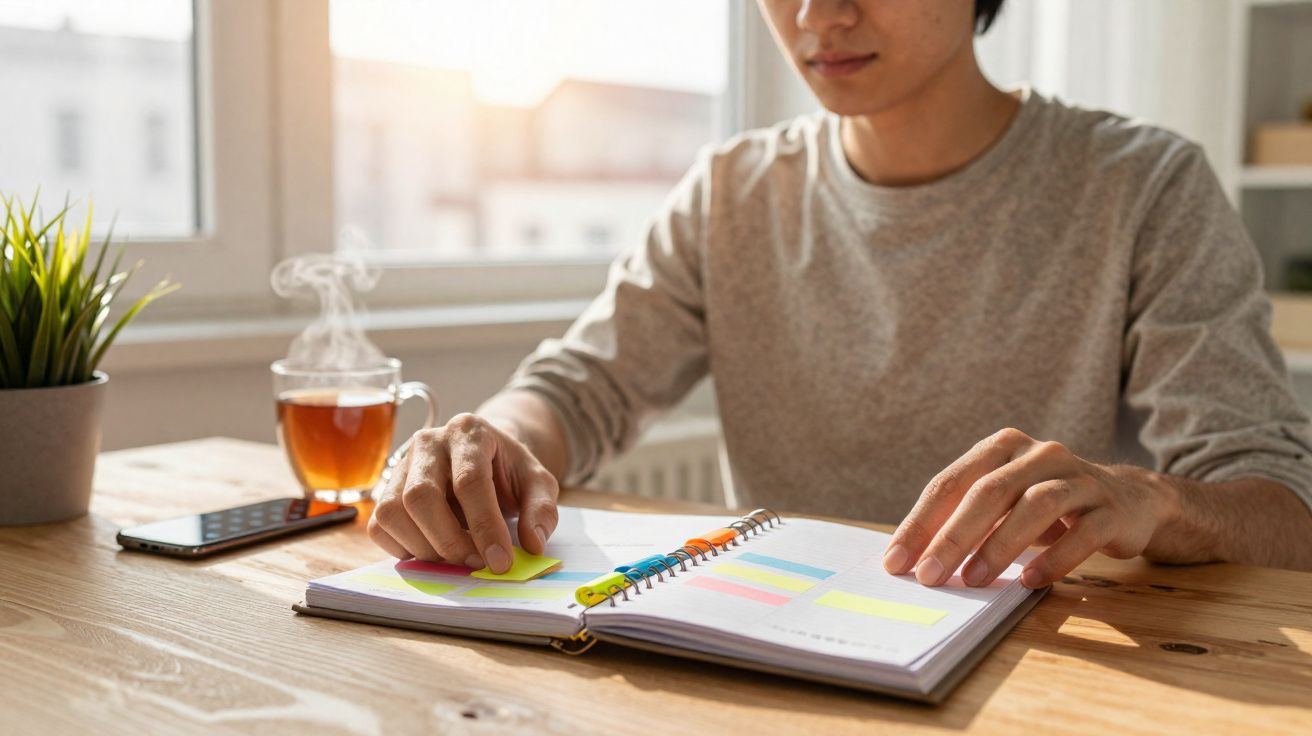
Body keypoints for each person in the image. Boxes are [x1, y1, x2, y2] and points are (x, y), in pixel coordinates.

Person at [368, 0, 1312, 589]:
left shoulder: (1142, 186)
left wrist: (1150, 500)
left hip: (1056, 677)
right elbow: (578, 390)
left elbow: (1284, 511)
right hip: (781, 662)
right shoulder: (732, 190)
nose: (819, 14)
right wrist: (491, 442)